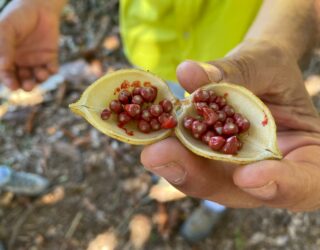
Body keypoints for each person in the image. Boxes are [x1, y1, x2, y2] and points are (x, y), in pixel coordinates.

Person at [0, 0, 319, 241]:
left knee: (237, 170)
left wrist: (275, 44)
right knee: (177, 138)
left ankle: (216, 206)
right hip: (153, 50)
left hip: (240, 61)